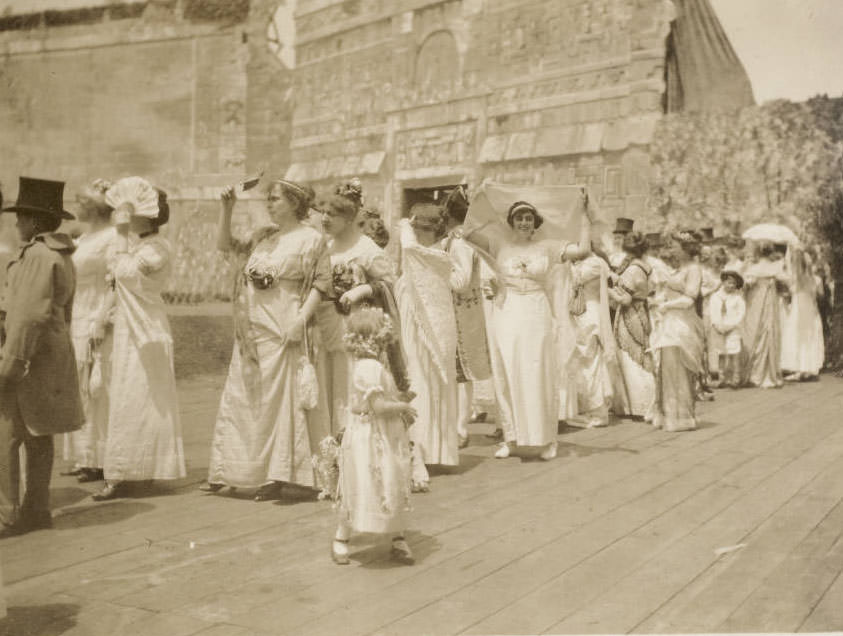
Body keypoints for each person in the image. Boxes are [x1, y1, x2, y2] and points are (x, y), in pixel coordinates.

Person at [205, 179, 331, 501]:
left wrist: (299, 321)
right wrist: (227, 208)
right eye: (269, 199)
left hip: (284, 325)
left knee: (280, 400)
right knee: (246, 396)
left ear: (294, 202)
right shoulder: (264, 237)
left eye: (275, 199)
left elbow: (321, 284)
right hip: (252, 330)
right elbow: (225, 247)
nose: (269, 204)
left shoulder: (312, 239)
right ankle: (239, 470)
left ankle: (279, 474)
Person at [463, 196, 592, 460]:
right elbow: (468, 235)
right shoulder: (499, 243)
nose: (524, 222)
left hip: (535, 310)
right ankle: (511, 437)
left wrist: (584, 218)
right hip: (507, 309)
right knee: (508, 371)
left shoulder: (547, 246)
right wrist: (480, 203)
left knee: (537, 371)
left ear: (535, 223)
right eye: (519, 218)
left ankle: (547, 440)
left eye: (529, 218)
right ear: (511, 222)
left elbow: (582, 251)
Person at [0, 177, 83, 536]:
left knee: (6, 437)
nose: (16, 223)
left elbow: (27, 316)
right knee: (39, 434)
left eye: (20, 217)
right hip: (49, 356)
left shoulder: (36, 255)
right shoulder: (61, 254)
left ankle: (7, 514)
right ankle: (37, 508)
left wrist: (10, 365)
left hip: (26, 359)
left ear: (34, 222)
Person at [93, 183, 186, 500]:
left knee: (143, 397)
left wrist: (119, 232)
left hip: (146, 329)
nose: (128, 218)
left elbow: (125, 273)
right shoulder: (141, 245)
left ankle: (130, 471)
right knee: (128, 394)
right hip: (129, 329)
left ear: (148, 218)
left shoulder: (157, 249)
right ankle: (127, 468)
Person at [331, 307, 416, 566]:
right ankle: (342, 537)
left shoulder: (373, 366)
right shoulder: (369, 368)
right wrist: (403, 407)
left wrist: (398, 399)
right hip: (372, 438)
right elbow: (378, 408)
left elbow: (377, 401)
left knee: (391, 480)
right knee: (364, 482)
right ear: (376, 339)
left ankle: (397, 536)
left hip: (382, 435)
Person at [394, 203, 460, 491]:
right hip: (412, 322)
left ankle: (427, 449)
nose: (419, 233)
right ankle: (422, 447)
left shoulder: (435, 256)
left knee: (424, 378)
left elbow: (409, 247)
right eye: (417, 228)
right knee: (416, 377)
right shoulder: (418, 258)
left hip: (430, 327)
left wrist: (403, 226)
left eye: (423, 229)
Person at [62, 179, 116, 483]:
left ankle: (99, 458)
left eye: (79, 202)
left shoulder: (110, 238)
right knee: (78, 385)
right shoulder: (83, 238)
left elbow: (113, 280)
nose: (75, 208)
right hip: (77, 313)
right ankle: (82, 455)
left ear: (93, 206)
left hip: (96, 313)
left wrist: (101, 318)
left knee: (96, 386)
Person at [442, 186, 492, 448]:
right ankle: (455, 423)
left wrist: (436, 276)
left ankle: (460, 428)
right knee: (457, 371)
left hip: (462, 311)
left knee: (461, 372)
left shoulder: (460, 242)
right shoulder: (455, 240)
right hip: (459, 310)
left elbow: (460, 281)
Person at [650, 232, 705, 432]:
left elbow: (690, 298)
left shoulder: (694, 269)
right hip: (669, 323)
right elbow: (667, 294)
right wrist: (656, 302)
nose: (671, 250)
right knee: (667, 368)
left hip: (683, 323)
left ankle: (682, 416)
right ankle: (668, 414)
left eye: (674, 246)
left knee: (679, 368)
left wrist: (668, 305)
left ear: (685, 247)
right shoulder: (676, 270)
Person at [608, 231, 655, 420]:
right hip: (642, 310)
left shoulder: (633, 269)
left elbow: (625, 299)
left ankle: (639, 405)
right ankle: (639, 404)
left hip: (630, 314)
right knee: (641, 354)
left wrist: (608, 290)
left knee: (631, 357)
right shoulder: (646, 266)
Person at [569, 251, 615, 428]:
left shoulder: (592, 264)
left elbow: (572, 281)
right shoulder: (593, 262)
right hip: (583, 313)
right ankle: (591, 407)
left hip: (588, 313)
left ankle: (598, 410)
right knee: (586, 363)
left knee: (591, 362)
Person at [742, 241, 790, 389]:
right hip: (768, 303)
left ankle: (754, 373)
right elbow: (787, 280)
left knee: (754, 332)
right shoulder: (775, 267)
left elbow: (746, 283)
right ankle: (767, 374)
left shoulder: (753, 267)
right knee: (768, 334)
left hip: (755, 302)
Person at [781, 248, 825, 381]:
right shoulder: (816, 279)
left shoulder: (796, 280)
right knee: (808, 339)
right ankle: (808, 368)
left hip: (799, 313)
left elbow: (788, 293)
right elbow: (822, 296)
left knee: (799, 338)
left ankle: (801, 369)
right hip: (810, 312)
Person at [709, 269, 746, 388]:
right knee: (721, 353)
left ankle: (735, 378)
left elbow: (740, 314)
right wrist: (717, 325)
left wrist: (731, 326)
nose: (730, 285)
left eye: (733, 283)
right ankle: (722, 378)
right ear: (723, 282)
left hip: (732, 329)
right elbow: (713, 312)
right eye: (728, 282)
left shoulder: (737, 299)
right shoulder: (715, 297)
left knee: (734, 352)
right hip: (719, 328)